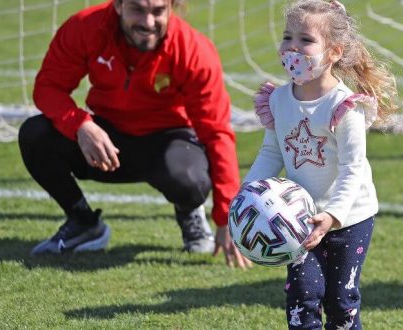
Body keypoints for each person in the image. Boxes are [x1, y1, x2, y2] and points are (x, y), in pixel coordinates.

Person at [18, 0, 252, 268]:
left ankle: (189, 212)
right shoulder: (86, 27)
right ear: (118, 6)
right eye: (138, 10)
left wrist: (226, 217)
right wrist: (81, 125)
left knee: (190, 181)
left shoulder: (193, 49)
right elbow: (48, 87)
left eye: (158, 11)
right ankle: (82, 222)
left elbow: (216, 133)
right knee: (35, 133)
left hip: (168, 141)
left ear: (171, 8)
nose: (148, 22)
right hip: (108, 141)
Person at [243, 0, 398, 328]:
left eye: (306, 40)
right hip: (299, 220)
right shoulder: (278, 100)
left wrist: (333, 215)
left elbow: (353, 168)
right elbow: (272, 153)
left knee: (341, 301)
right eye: (288, 37)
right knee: (302, 294)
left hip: (349, 218)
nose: (293, 47)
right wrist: (247, 197)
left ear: (335, 53)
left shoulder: (345, 108)